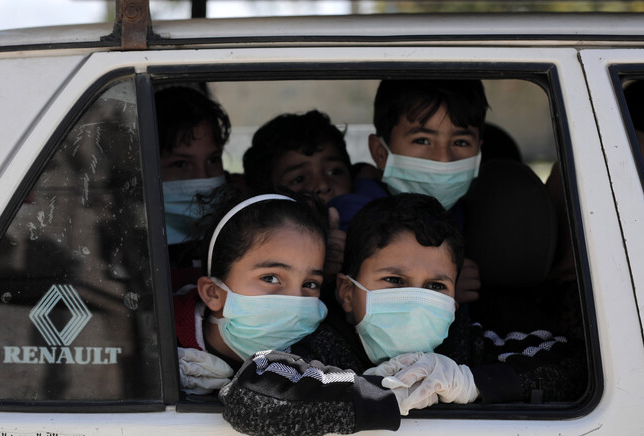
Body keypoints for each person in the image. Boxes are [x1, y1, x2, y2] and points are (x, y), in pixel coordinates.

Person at [220, 193, 585, 436]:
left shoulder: (471, 343)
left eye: (436, 286)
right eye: (394, 281)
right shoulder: (315, 347)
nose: (416, 299)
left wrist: (470, 382)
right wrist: (379, 394)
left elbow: (575, 365)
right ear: (347, 293)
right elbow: (256, 392)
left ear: (455, 300)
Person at [174, 191, 334, 395]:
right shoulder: (153, 340)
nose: (295, 299)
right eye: (270, 278)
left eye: (310, 284)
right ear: (213, 293)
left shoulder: (324, 353)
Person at [368, 79, 488, 305]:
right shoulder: (353, 218)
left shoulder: (477, 222)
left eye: (460, 142)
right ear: (380, 153)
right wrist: (438, 290)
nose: (443, 159)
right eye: (422, 140)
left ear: (478, 153)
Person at [242, 110, 388, 277]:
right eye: (299, 179)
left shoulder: (371, 211)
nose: (323, 185)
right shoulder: (258, 245)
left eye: (335, 172)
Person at [155, 85, 234, 289]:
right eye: (180, 164)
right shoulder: (122, 238)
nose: (203, 179)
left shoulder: (245, 216)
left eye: (213, 160)